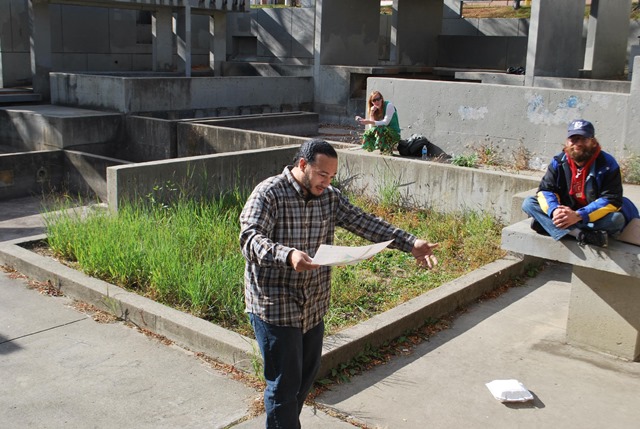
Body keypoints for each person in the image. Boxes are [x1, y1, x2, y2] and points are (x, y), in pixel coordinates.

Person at [239, 139, 439, 428]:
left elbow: (365, 223)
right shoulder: (270, 193)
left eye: (332, 176)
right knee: (284, 386)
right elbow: (249, 239)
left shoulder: (329, 197)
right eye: (322, 175)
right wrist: (288, 254)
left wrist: (411, 243)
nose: (327, 182)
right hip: (275, 306)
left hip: (313, 305)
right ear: (303, 165)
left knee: (304, 379)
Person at [522, 119, 639, 247]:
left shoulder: (608, 164)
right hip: (568, 210)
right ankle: (580, 234)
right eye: (574, 139)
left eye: (583, 139)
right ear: (567, 142)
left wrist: (578, 215)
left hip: (591, 215)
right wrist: (555, 210)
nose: (578, 144)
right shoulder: (559, 161)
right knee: (529, 203)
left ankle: (548, 225)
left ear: (593, 142)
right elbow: (546, 190)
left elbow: (612, 199)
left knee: (616, 220)